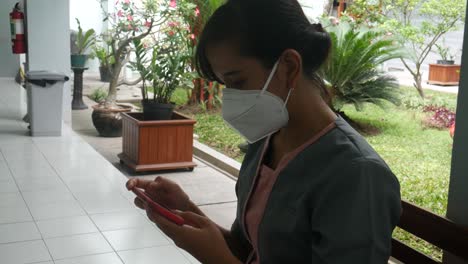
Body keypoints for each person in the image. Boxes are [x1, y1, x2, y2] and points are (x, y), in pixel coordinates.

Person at [126, 0, 401, 263]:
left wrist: (215, 258)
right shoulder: (267, 141)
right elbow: (250, 249)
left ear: (289, 67)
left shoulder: (356, 176)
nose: (229, 98)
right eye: (224, 84)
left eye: (238, 81)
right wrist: (186, 210)